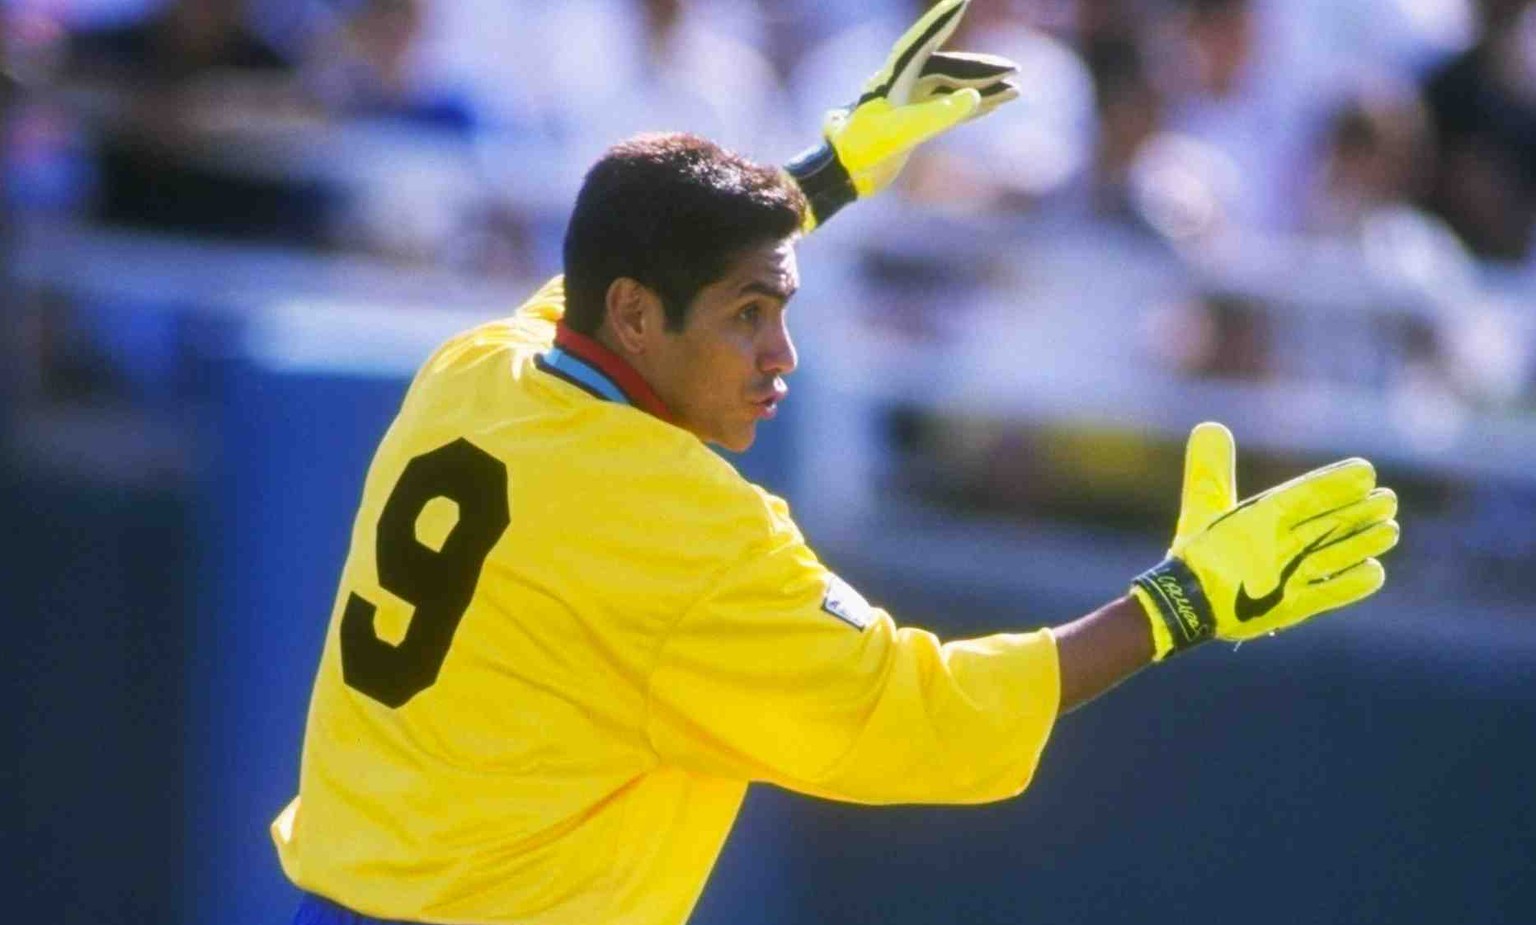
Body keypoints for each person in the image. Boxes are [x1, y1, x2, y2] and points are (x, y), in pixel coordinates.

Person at [271, 3, 1401, 923]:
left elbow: (616, 274)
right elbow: (917, 713)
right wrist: (1177, 605)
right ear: (633, 312)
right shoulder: (690, 532)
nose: (781, 354)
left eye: (782, 305)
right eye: (748, 315)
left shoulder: (478, 363)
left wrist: (832, 169)